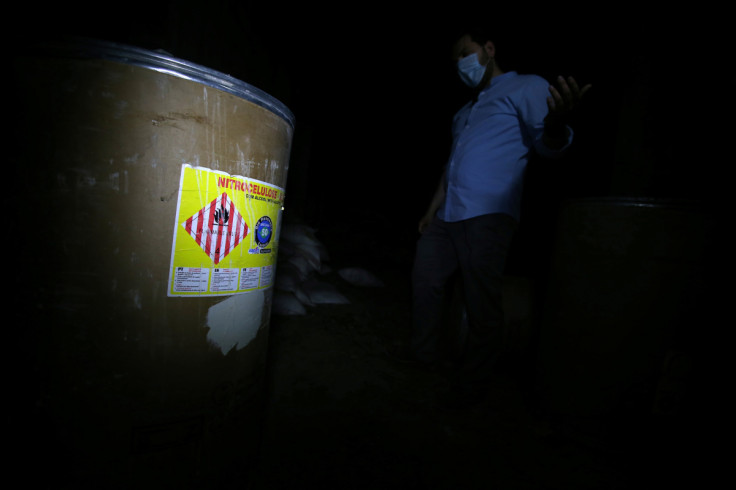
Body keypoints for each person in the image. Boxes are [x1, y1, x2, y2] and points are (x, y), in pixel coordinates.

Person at [397, 27, 591, 408]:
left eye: (466, 52)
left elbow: (548, 145)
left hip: (488, 214)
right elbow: (451, 166)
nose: (461, 63)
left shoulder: (526, 87)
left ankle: (473, 384)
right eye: (455, 61)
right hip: (448, 214)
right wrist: (430, 209)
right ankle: (423, 357)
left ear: (488, 48)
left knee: (481, 301)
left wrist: (555, 126)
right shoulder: (465, 112)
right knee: (425, 280)